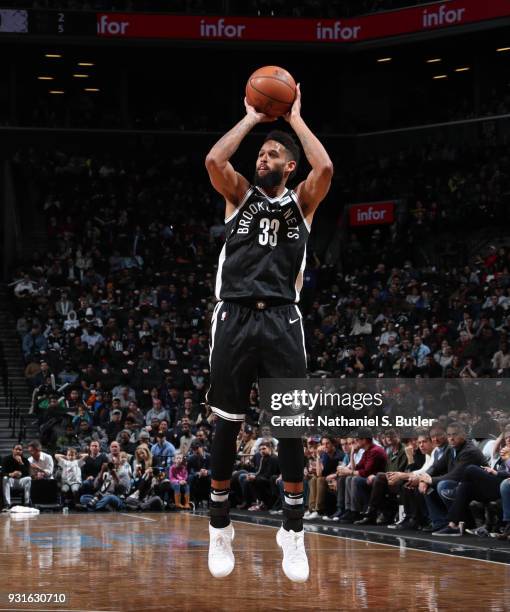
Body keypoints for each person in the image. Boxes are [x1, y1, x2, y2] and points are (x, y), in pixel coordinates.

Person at [204, 84, 333, 582]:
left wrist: (295, 120)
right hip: (234, 317)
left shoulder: (302, 203)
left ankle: (293, 532)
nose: (264, 156)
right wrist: (252, 120)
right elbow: (215, 160)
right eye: (262, 152)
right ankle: (220, 527)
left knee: (290, 427)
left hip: (282, 319)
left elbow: (325, 170)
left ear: (289, 166)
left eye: (274, 153)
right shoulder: (239, 196)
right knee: (227, 423)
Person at [2, 444, 31, 508]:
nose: (18, 451)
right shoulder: (6, 459)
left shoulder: (25, 460)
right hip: (11, 481)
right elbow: (2, 472)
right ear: (13, 450)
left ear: (22, 451)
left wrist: (21, 463)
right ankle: (7, 504)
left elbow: (28, 473)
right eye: (16, 449)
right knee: (5, 478)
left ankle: (27, 503)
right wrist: (11, 474)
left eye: (20, 450)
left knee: (28, 478)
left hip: (21, 481)